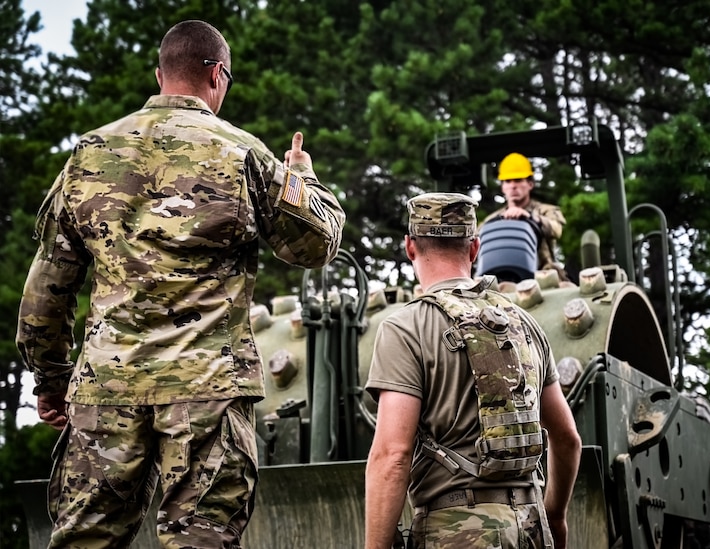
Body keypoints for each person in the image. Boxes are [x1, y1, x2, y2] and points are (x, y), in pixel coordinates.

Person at [15, 20, 345, 548]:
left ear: (159, 73)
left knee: (84, 541)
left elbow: (46, 292)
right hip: (206, 394)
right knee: (200, 539)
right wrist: (302, 177)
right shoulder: (241, 153)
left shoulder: (89, 154)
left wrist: (52, 379)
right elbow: (314, 246)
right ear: (217, 74)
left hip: (107, 391)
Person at [364, 192, 581, 549]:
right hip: (531, 530)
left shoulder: (405, 327)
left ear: (410, 247)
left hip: (455, 533)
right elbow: (568, 438)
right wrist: (554, 516)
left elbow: (392, 456)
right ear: (474, 248)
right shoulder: (525, 323)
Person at [482, 152, 568, 280]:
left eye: (518, 180)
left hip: (544, 276)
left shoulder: (545, 211)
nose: (513, 186)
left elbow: (556, 229)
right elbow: (473, 243)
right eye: (507, 181)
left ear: (530, 184)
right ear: (502, 187)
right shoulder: (491, 221)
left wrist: (531, 218)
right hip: (500, 279)